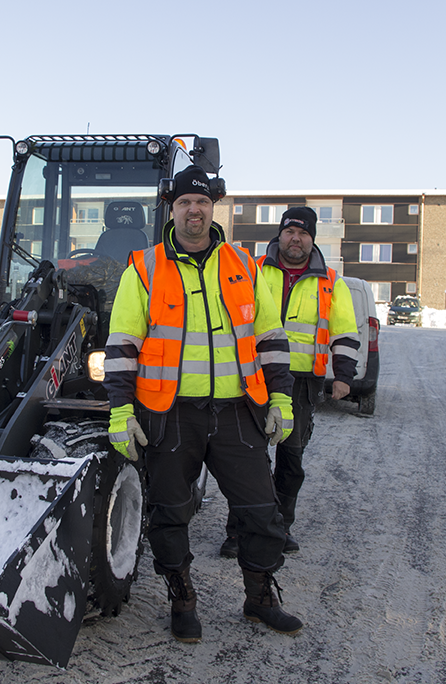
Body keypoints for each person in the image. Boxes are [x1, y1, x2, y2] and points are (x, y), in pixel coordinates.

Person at [104, 165, 303, 643]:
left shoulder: (245, 265)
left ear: (213, 208)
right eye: (184, 203)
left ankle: (258, 599)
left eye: (202, 202)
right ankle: (182, 599)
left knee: (261, 512)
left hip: (237, 412)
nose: (194, 210)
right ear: (172, 210)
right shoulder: (145, 267)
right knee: (170, 514)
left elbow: (271, 339)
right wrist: (119, 411)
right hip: (170, 416)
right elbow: (122, 345)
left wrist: (281, 399)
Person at [219, 207, 359, 558]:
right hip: (252, 376)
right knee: (247, 458)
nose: (295, 239)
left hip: (299, 383)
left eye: (303, 233)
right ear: (279, 235)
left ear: (312, 240)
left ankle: (280, 527)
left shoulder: (330, 281)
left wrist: (343, 376)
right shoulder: (251, 269)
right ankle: (239, 532)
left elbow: (344, 331)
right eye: (289, 232)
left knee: (290, 459)